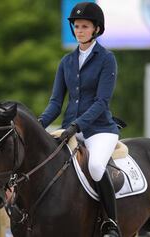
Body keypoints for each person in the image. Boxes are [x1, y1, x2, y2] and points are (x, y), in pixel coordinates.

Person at [38, 2, 121, 236]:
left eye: (85, 26)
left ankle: (111, 223)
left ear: (96, 29)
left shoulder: (106, 59)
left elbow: (101, 102)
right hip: (70, 128)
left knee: (95, 166)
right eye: (76, 26)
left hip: (99, 129)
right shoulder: (66, 62)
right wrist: (38, 125)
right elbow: (56, 103)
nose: (79, 30)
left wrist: (76, 125)